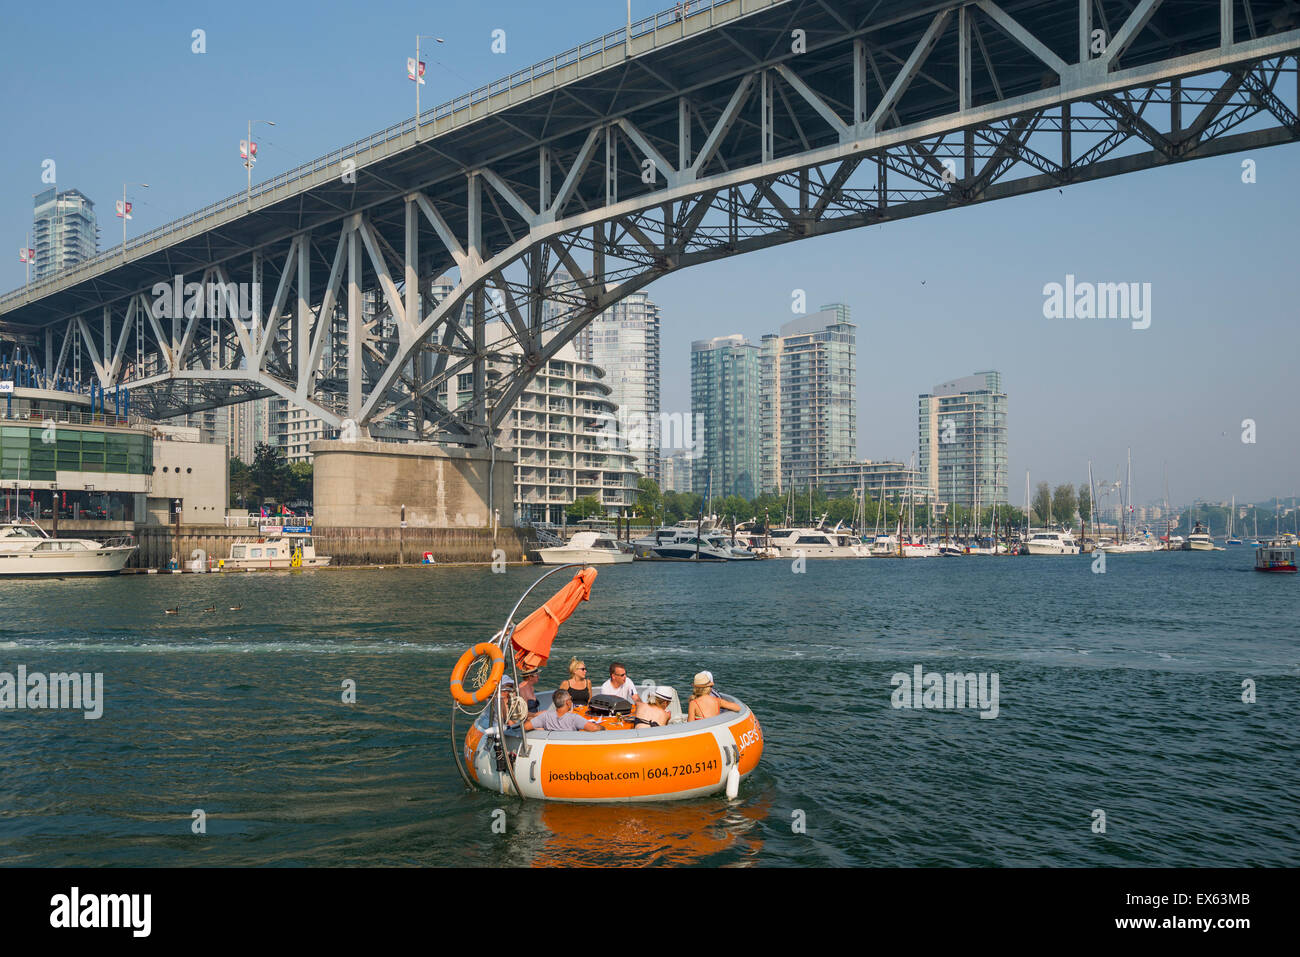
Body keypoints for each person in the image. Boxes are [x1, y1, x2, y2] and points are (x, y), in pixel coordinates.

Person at [524, 689, 603, 732]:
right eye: (571, 699)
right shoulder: (574, 718)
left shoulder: (545, 716)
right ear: (568, 703)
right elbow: (594, 728)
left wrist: (541, 728)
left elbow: (526, 727)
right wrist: (602, 727)